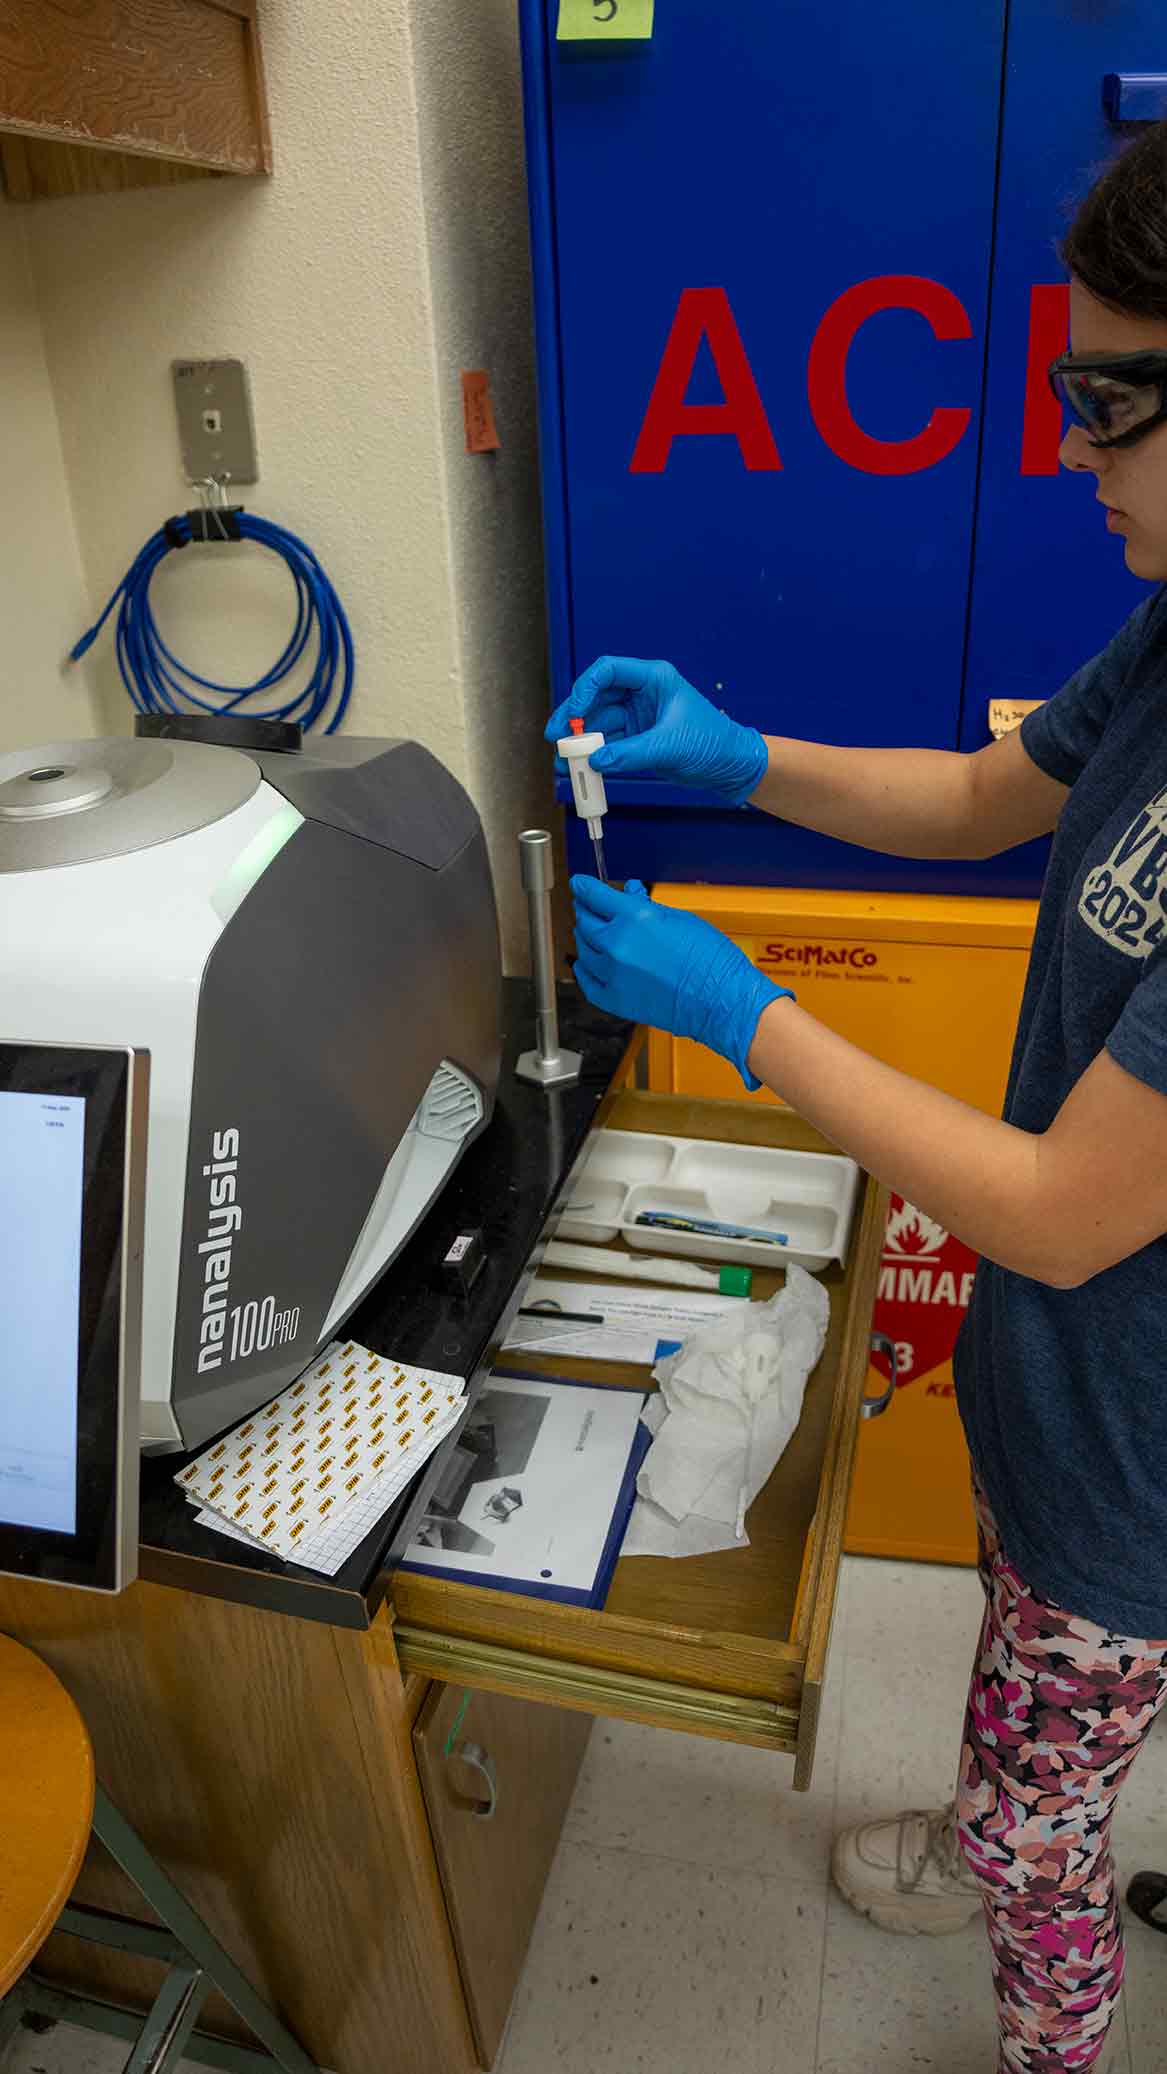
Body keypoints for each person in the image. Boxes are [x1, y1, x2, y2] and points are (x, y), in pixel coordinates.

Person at [547, 121, 1167, 2074]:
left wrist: (745, 1015)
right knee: (1032, 1704)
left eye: (1106, 398)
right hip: (1065, 1395)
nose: (1064, 447)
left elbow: (1065, 1207)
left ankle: (1027, 1939)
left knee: (1045, 1825)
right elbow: (990, 798)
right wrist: (736, 759)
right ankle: (1010, 1810)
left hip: (1135, 1474)